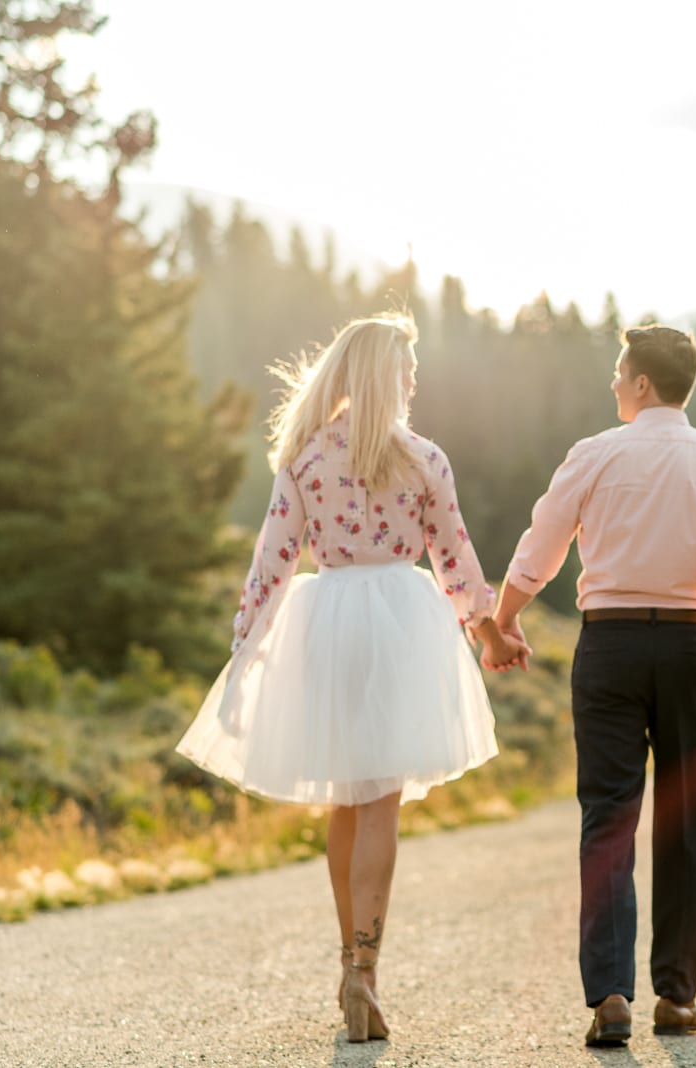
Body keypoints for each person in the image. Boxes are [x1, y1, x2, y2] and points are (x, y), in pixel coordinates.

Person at [176, 315, 525, 1043]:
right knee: (381, 803)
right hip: (401, 617)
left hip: (328, 619)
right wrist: (488, 633)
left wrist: (245, 651)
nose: (414, 379)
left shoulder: (303, 457)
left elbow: (270, 566)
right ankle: (366, 969)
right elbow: (454, 559)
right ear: (385, 376)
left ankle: (349, 964)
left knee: (346, 797)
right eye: (407, 367)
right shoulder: (424, 457)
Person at [490, 324, 696, 1047]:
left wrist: (503, 624)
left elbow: (539, 548)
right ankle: (677, 999)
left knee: (607, 816)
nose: (613, 383)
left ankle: (610, 997)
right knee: (684, 820)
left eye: (620, 373)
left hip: (607, 646)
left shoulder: (594, 455)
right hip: (685, 650)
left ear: (643, 383)